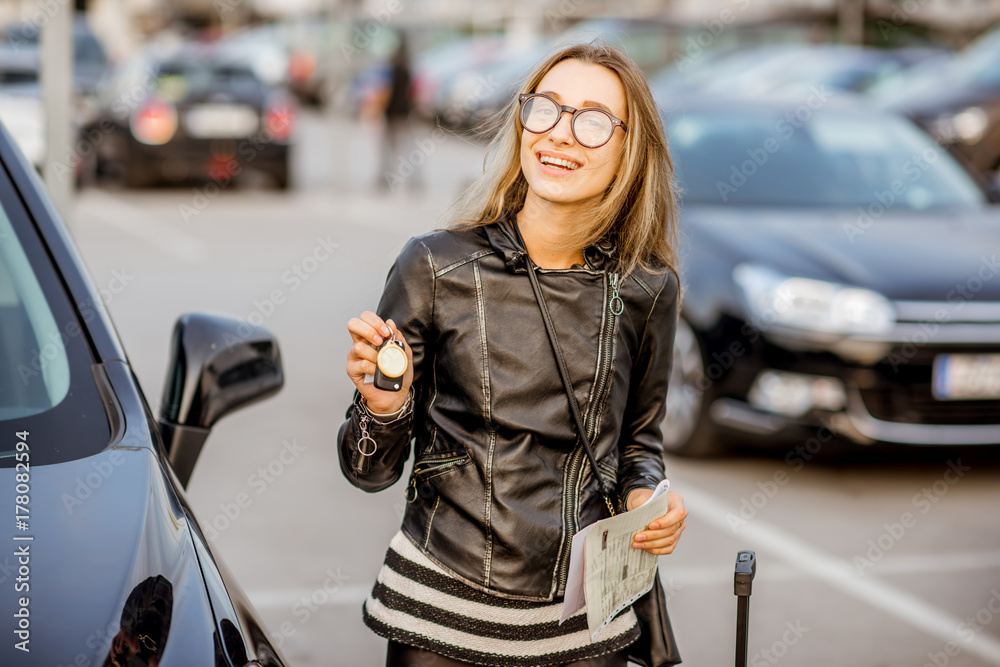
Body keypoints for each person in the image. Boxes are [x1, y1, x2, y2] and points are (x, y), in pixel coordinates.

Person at [339, 41, 687, 667]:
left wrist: (647, 502)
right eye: (546, 108)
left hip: (587, 624)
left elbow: (639, 445)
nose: (560, 134)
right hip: (440, 614)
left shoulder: (648, 287)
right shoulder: (434, 265)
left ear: (631, 149)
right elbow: (367, 471)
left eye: (592, 119)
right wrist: (385, 405)